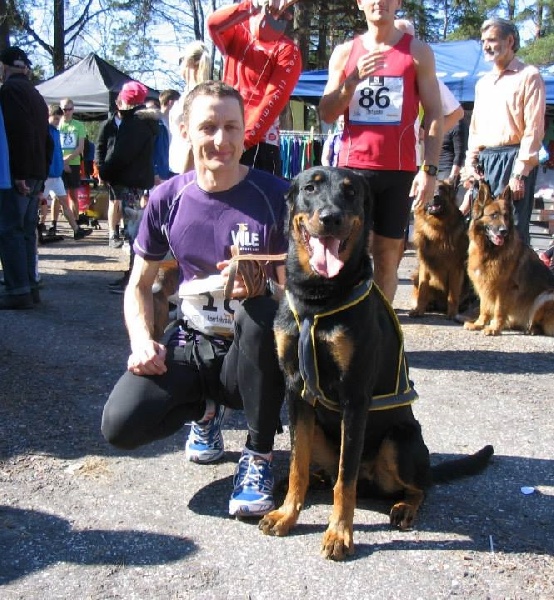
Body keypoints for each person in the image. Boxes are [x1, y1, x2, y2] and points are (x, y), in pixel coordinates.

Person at [101, 81, 288, 517]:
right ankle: (204, 412)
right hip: (192, 340)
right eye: (208, 127)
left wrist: (266, 288)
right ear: (184, 130)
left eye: (231, 127)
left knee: (261, 314)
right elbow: (138, 284)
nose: (221, 140)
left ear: (246, 133)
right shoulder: (169, 197)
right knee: (120, 426)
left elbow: (301, 295)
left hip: (253, 355)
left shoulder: (277, 195)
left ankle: (259, 456)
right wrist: (142, 343)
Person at [319, 0, 443, 303]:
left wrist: (429, 170)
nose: (380, 2)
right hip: (351, 172)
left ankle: (383, 334)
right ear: (361, 3)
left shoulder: (417, 52)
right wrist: (352, 82)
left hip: (397, 172)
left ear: (397, 3)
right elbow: (326, 112)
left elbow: (436, 114)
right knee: (344, 252)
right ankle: (344, 327)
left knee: (388, 257)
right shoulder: (345, 52)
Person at [462, 17, 546, 246]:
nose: (486, 46)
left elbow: (534, 128)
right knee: (482, 230)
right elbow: (475, 129)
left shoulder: (529, 75)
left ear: (510, 41)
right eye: (483, 41)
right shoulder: (483, 83)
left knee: (513, 231)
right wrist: (470, 166)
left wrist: (520, 173)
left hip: (514, 159)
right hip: (486, 161)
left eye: (492, 40)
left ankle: (517, 283)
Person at [208, 0, 302, 176]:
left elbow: (273, 101)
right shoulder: (237, 32)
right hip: (225, 136)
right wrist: (252, 6)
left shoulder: (288, 49)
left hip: (258, 144)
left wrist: (243, 142)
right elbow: (213, 24)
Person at [0, 46, 51, 310]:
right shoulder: (36, 95)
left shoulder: (9, 92)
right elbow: (46, 139)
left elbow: (17, 133)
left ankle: (17, 289)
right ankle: (30, 285)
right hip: (36, 172)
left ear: (4, 67)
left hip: (19, 174)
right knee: (27, 232)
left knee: (11, 230)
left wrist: (18, 173)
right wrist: (40, 175)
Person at [96, 82, 159, 293]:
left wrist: (104, 171)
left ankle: (134, 279)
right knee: (133, 230)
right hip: (138, 182)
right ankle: (132, 274)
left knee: (133, 232)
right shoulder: (146, 122)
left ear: (126, 101)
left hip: (130, 182)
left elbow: (121, 155)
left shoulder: (134, 124)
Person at [41, 104, 92, 240]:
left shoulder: (56, 132)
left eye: (59, 119)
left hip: (57, 175)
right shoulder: (44, 132)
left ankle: (76, 230)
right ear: (48, 117)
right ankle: (40, 227)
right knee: (39, 203)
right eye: (55, 119)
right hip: (46, 176)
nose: (58, 122)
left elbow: (58, 152)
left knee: (65, 201)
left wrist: (62, 165)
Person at [168, 41, 210, 175]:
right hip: (181, 169)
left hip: (188, 172)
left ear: (189, 62)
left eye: (181, 60)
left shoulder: (195, 98)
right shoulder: (193, 94)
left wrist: (182, 180)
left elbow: (191, 143)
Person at [59, 97, 86, 220]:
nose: (67, 112)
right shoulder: (57, 124)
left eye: (69, 109)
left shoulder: (79, 125)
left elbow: (80, 147)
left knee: (73, 194)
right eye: (64, 109)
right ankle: (53, 223)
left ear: (73, 110)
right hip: (58, 164)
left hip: (73, 163)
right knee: (58, 196)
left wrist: (67, 160)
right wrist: (62, 162)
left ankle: (76, 221)